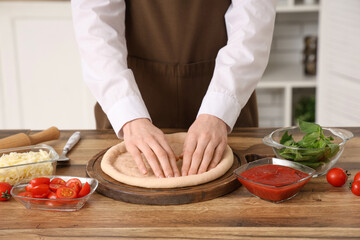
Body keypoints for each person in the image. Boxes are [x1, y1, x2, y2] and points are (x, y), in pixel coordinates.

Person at [71, 0, 276, 178]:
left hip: (228, 95)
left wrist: (220, 110)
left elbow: (253, 22)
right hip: (131, 94)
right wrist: (129, 115)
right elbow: (95, 27)